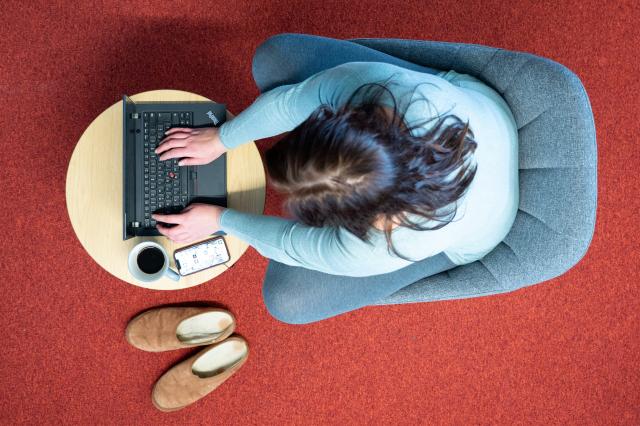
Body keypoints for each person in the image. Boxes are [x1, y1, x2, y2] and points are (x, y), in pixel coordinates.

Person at [152, 33, 519, 324]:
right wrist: (222, 138)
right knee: (274, 58)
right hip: (484, 109)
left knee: (285, 301)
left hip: (484, 228)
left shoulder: (378, 248)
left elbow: (291, 243)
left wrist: (219, 220)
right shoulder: (386, 94)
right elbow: (291, 101)